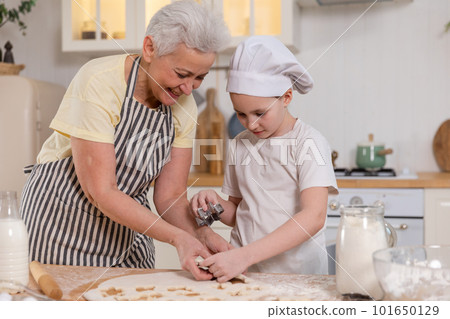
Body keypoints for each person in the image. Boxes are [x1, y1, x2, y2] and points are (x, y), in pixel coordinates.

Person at [20, 0, 231, 280]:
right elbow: (101, 191)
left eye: (199, 78)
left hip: (126, 229)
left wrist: (201, 234)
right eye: (181, 74)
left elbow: (170, 197)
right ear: (150, 48)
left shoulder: (184, 106)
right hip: (61, 223)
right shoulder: (99, 81)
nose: (188, 88)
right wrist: (177, 238)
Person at [190, 36, 338, 282]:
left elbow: (314, 217)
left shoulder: (308, 142)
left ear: (286, 97)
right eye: (241, 114)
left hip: (297, 276)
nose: (251, 124)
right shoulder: (240, 144)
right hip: (245, 272)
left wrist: (245, 256)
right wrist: (215, 205)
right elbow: (240, 212)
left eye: (260, 113)